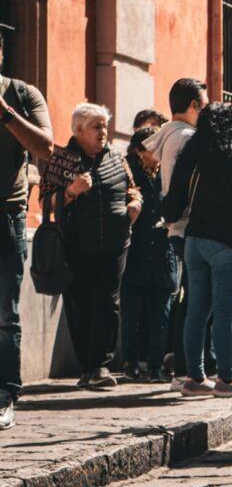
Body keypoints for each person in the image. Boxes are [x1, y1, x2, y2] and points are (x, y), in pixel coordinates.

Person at [164, 102, 232, 397]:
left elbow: (173, 204)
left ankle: (194, 378)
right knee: (225, 314)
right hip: (228, 245)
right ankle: (227, 380)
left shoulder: (192, 156)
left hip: (194, 241)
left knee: (196, 311)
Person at [52, 104, 142, 390]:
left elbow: (132, 187)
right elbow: (45, 198)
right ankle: (86, 366)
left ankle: (101, 366)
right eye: (96, 126)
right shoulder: (63, 159)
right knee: (79, 304)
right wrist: (70, 192)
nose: (103, 132)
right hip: (77, 244)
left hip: (115, 243)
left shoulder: (116, 157)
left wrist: (135, 203)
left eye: (104, 126)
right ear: (78, 131)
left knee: (108, 303)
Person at [0, 35, 54, 429]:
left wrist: (4, 113)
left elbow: (47, 147)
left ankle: (5, 395)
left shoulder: (22, 95)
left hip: (7, 215)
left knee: (5, 312)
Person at [144, 77, 208, 390]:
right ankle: (185, 369)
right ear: (194, 105)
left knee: (190, 299)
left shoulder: (170, 134)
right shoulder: (186, 138)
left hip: (179, 227)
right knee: (193, 301)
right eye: (204, 105)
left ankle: (186, 367)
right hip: (188, 227)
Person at [120, 127, 178, 383]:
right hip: (135, 251)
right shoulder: (127, 173)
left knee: (161, 313)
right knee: (132, 312)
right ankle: (131, 362)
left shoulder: (167, 170)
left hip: (163, 250)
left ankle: (155, 365)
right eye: (153, 147)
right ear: (138, 150)